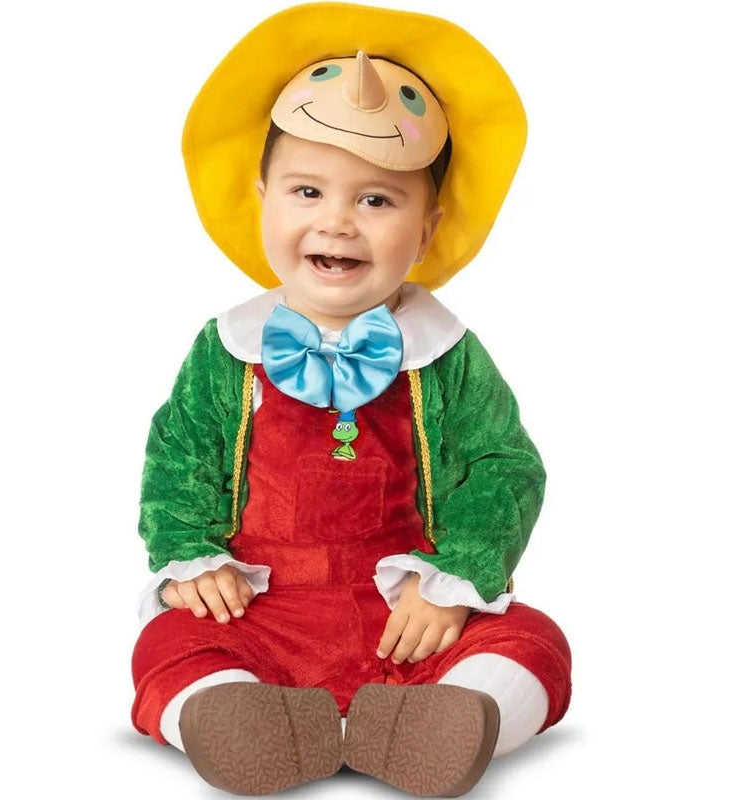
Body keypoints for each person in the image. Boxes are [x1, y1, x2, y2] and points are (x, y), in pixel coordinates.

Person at [131, 4, 572, 796]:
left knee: (534, 640)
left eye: (377, 201)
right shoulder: (226, 349)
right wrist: (192, 557)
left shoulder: (447, 355)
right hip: (264, 609)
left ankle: (445, 720)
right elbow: (180, 456)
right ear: (262, 198)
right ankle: (236, 715)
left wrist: (454, 579)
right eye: (307, 191)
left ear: (428, 228)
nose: (337, 222)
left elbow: (504, 466)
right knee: (170, 640)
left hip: (408, 614)